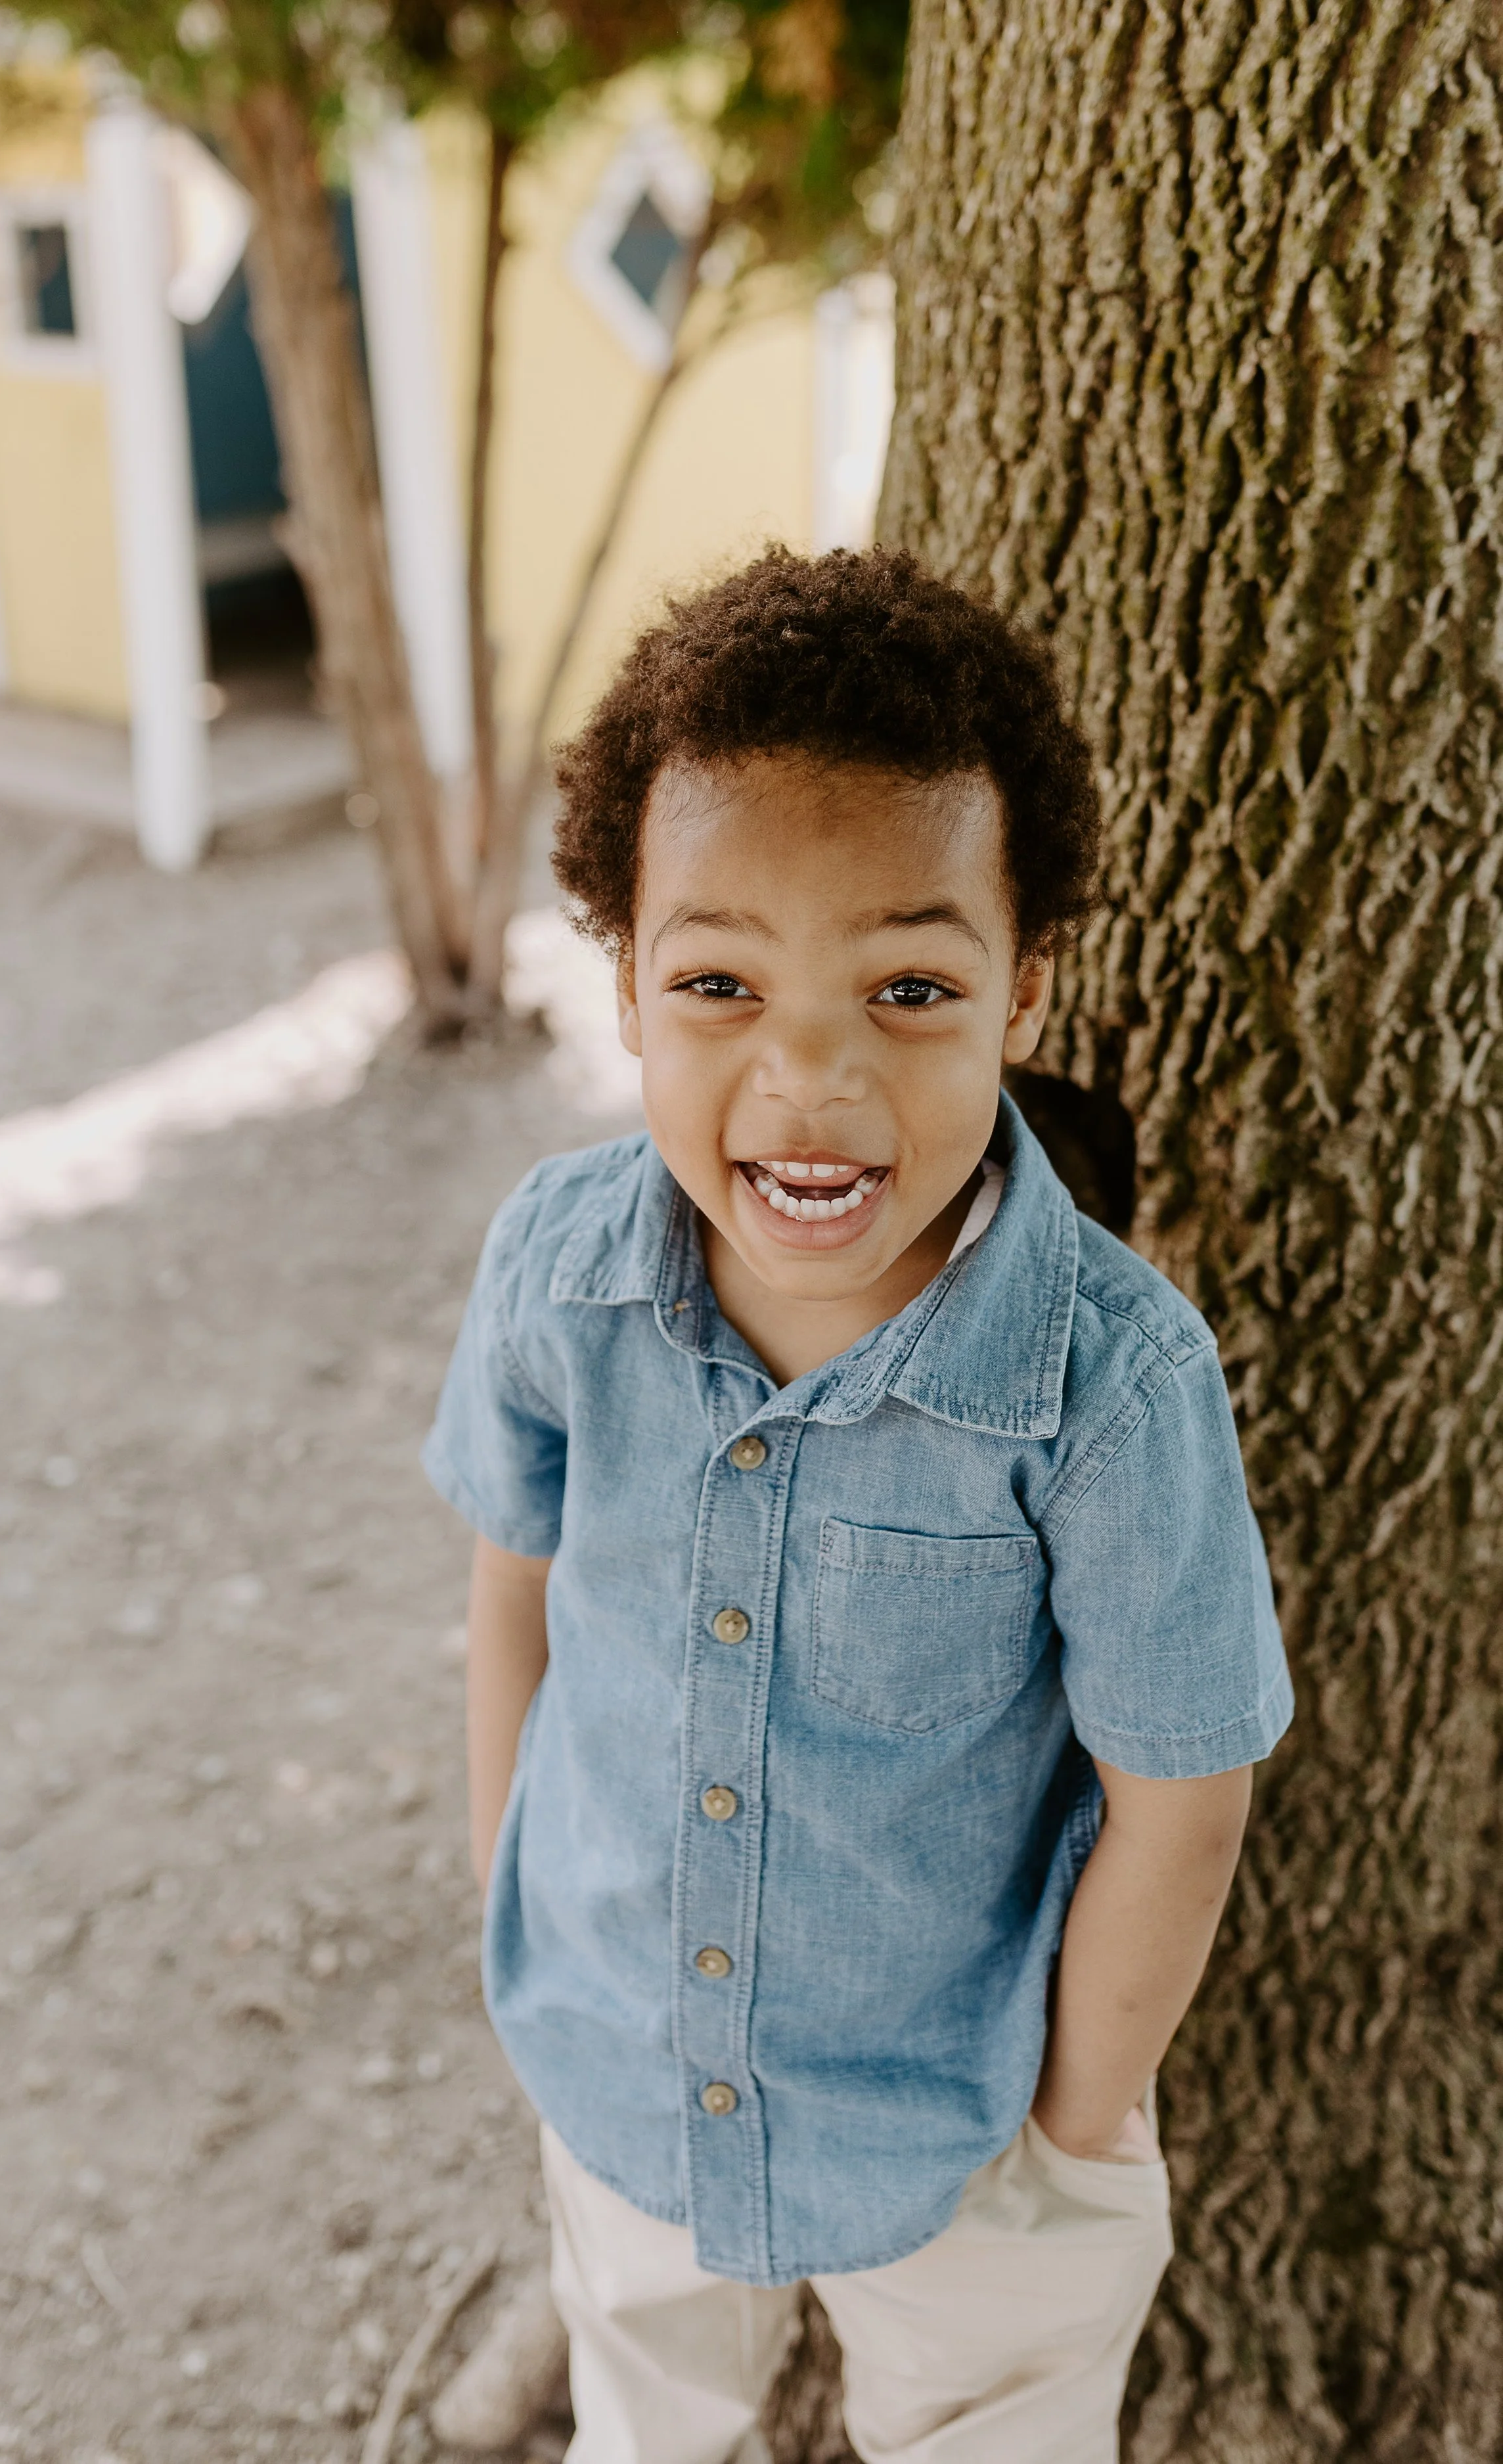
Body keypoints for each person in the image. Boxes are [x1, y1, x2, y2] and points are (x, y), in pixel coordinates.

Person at [422, 547, 1292, 2464]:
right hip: (617, 2073)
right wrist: (515, 1900)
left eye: (907, 987)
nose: (806, 1074)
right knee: (645, 2396)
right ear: (630, 983)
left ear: (1017, 988)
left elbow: (1184, 1786)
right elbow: (514, 1589)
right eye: (718, 982)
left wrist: (1071, 2120)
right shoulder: (559, 1273)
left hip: (962, 2126)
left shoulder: (1108, 1379)